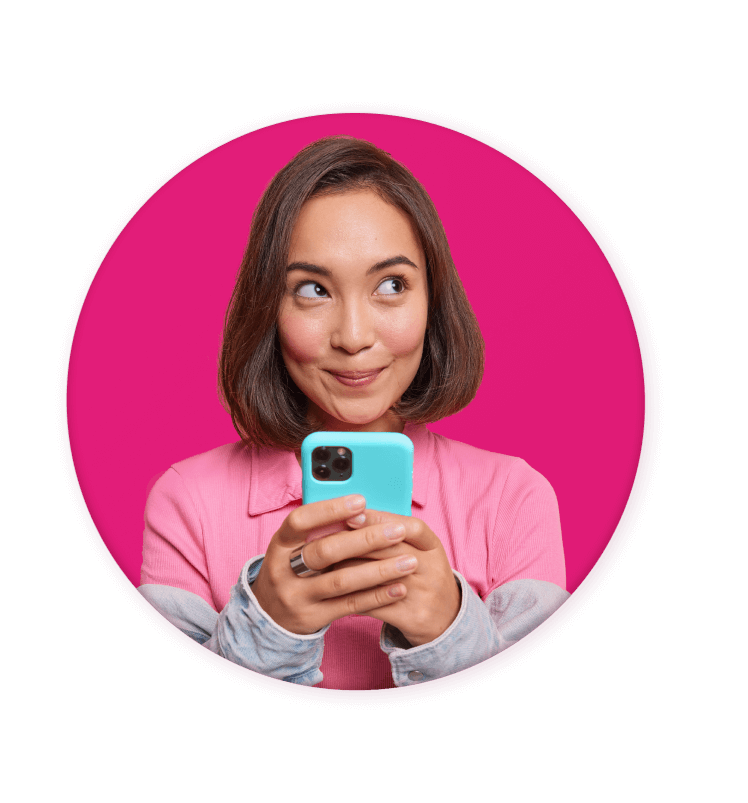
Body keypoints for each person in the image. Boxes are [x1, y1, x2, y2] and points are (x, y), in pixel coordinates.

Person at [138, 136, 569, 690]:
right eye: (313, 290)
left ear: (432, 302)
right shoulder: (186, 501)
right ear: (269, 307)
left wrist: (450, 630)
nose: (355, 338)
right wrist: (267, 626)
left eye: (391, 285)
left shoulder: (514, 499)